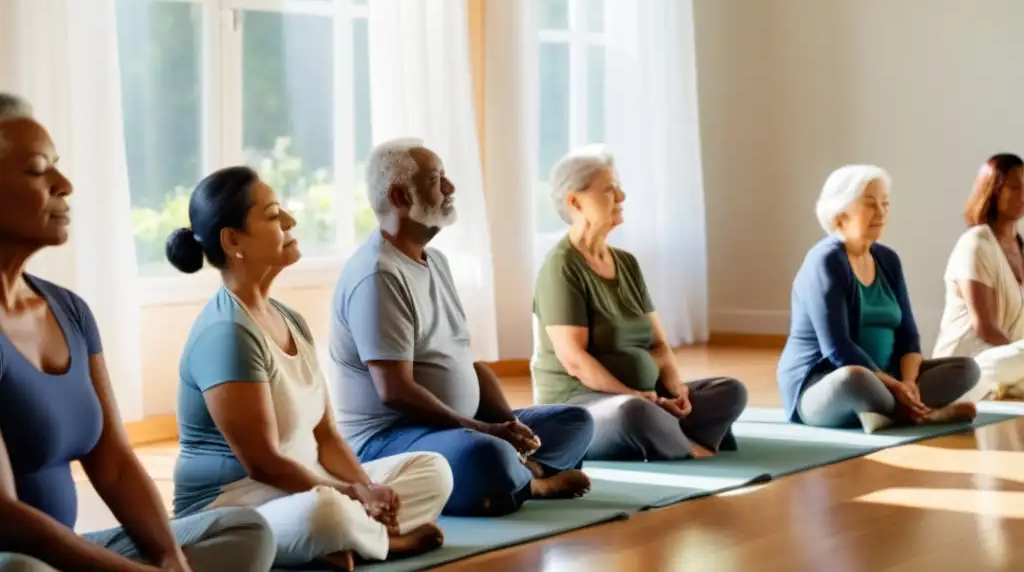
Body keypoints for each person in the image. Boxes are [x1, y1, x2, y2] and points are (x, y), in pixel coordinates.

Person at [0, 94, 276, 572]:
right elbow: (6, 519)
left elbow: (116, 464)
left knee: (245, 531)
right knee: (20, 568)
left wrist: (169, 559)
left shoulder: (70, 310)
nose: (64, 185)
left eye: (58, 168)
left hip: (69, 554)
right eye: (38, 170)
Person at [167, 166, 452, 571]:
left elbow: (327, 434)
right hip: (232, 506)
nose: (290, 220)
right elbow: (263, 464)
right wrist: (353, 497)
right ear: (233, 241)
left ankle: (347, 541)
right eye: (271, 214)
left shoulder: (291, 319)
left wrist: (368, 489)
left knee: (433, 469)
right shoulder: (227, 332)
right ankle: (371, 538)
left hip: (303, 487)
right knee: (325, 513)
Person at [329, 138, 595, 517]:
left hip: (459, 429)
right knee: (484, 455)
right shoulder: (378, 275)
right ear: (401, 196)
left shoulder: (435, 262)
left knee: (575, 421)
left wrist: (509, 422)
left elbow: (469, 365)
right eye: (438, 180)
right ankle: (528, 481)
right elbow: (395, 391)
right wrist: (484, 432)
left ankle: (516, 474)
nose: (450, 188)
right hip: (390, 440)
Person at [532, 146, 747, 461]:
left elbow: (658, 344)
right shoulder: (560, 267)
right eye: (609, 190)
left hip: (646, 397)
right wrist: (636, 397)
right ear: (575, 201)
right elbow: (574, 360)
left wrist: (675, 390)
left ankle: (664, 434)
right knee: (632, 414)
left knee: (729, 390)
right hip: (585, 405)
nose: (621, 197)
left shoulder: (627, 263)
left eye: (619, 188)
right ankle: (678, 442)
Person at [778, 164, 980, 432]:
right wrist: (894, 386)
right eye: (871, 204)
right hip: (823, 385)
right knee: (854, 379)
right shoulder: (825, 261)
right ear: (840, 217)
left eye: (885, 203)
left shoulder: (888, 260)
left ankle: (890, 413)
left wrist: (908, 383)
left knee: (967, 369)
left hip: (888, 381)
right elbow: (838, 348)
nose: (882, 212)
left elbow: (909, 337)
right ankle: (918, 413)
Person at [933, 154, 1024, 401]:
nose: (1023, 194)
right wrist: (1015, 357)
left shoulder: (1019, 246)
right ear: (993, 191)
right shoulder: (976, 243)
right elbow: (984, 327)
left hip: (1010, 363)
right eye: (1015, 187)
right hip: (971, 365)